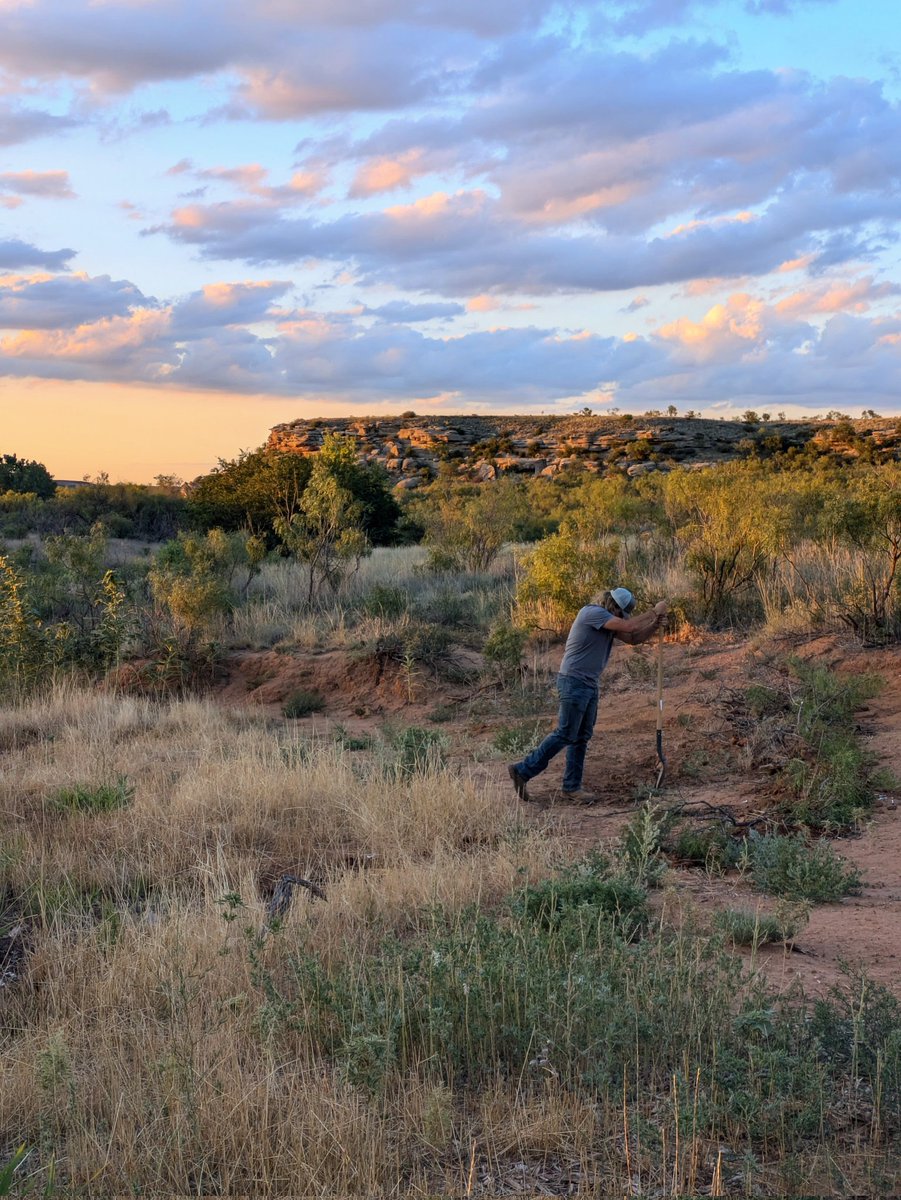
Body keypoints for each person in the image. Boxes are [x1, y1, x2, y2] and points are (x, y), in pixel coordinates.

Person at [508, 587, 668, 805]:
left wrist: (654, 625)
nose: (621, 617)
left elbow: (633, 637)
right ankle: (523, 771)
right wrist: (653, 612)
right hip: (574, 681)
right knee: (565, 733)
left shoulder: (608, 622)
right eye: (621, 613)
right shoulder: (592, 613)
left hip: (588, 684)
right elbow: (629, 626)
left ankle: (572, 787)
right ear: (613, 607)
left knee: (581, 736)